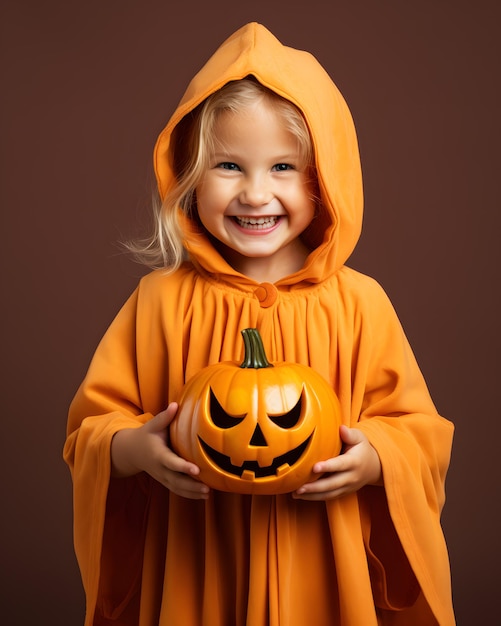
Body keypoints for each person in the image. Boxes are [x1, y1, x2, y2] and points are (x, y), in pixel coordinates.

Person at [63, 22, 455, 626]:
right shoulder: (159, 303)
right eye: (227, 165)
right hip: (198, 567)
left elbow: (419, 431)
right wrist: (133, 447)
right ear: (190, 177)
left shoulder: (360, 304)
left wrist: (376, 458)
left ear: (324, 179)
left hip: (325, 566)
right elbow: (89, 430)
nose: (254, 193)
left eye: (281, 168)